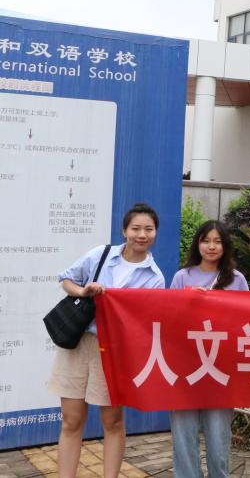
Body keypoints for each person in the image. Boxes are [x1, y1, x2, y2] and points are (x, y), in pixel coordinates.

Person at [48, 202, 166, 478]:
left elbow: (146, 321)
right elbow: (66, 280)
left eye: (148, 229)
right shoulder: (100, 254)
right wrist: (83, 291)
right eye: (136, 228)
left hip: (115, 351)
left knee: (112, 421)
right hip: (78, 344)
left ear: (155, 233)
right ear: (124, 231)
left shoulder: (155, 278)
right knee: (71, 420)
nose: (142, 234)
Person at [169, 220, 249, 478]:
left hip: (220, 367)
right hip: (185, 367)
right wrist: (191, 301)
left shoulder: (237, 279)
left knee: (218, 437)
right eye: (206, 241)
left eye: (217, 241)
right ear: (198, 244)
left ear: (225, 246)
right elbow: (169, 318)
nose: (211, 247)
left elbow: (245, 322)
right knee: (183, 435)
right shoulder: (182, 276)